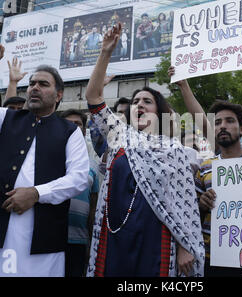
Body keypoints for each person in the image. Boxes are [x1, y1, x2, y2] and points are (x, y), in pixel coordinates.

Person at [0, 39, 90, 277]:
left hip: (42, 239)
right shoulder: (5, 118)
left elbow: (79, 179)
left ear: (59, 95)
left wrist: (37, 193)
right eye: (32, 83)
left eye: (43, 84)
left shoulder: (70, 132)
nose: (34, 87)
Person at [86, 23, 204, 277]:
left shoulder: (173, 149)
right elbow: (94, 98)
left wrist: (185, 246)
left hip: (157, 240)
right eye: (135, 101)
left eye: (146, 101)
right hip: (115, 235)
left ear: (159, 112)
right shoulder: (119, 137)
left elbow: (182, 204)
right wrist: (105, 52)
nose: (139, 105)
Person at [194, 101, 242, 277]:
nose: (222, 126)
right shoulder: (204, 167)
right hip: (211, 258)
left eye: (229, 121)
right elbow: (190, 212)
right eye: (217, 123)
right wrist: (201, 204)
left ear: (241, 128)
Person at [59, 109, 99, 277]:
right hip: (49, 240)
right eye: (68, 123)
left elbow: (93, 211)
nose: (73, 127)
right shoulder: (45, 161)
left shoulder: (92, 168)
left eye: (78, 124)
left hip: (79, 241)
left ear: (84, 130)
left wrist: (91, 244)